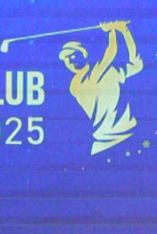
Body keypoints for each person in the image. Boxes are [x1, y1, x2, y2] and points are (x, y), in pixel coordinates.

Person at [60, 21, 144, 153]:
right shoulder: (78, 83)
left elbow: (136, 65)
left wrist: (125, 31)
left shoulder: (107, 72)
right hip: (108, 140)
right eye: (66, 60)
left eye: (73, 56)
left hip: (128, 132)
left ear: (84, 53)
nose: (70, 62)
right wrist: (112, 30)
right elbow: (112, 52)